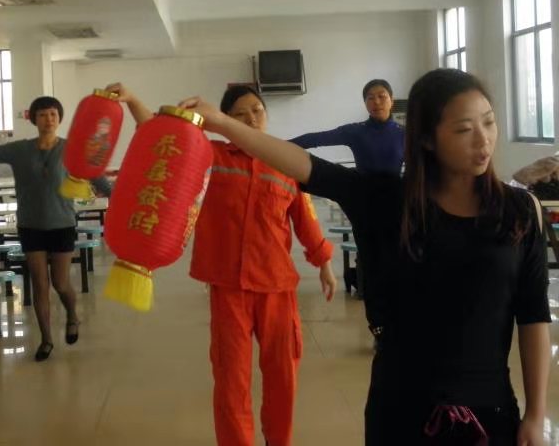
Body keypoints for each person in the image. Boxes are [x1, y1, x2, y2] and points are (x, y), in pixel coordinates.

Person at [179, 68, 550, 445]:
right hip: (402, 409)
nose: (483, 139)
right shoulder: (389, 202)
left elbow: (533, 315)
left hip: (490, 412)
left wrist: (536, 414)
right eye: (464, 129)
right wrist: (222, 124)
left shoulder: (519, 212)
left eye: (489, 122)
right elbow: (305, 163)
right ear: (426, 138)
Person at [108, 83, 337, 446]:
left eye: (257, 111)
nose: (251, 119)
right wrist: (133, 100)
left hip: (277, 286)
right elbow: (162, 140)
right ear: (225, 119)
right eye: (240, 114)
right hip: (228, 286)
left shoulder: (284, 162)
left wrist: (323, 262)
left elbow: (304, 218)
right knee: (231, 379)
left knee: (283, 375)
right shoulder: (210, 156)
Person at [0, 96, 111, 362]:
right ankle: (46, 340)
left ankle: (72, 316)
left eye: (53, 114)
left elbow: (95, 174)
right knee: (40, 284)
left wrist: (117, 196)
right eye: (42, 115)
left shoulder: (71, 149)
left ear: (59, 119)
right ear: (33, 119)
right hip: (30, 225)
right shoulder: (19, 150)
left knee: (60, 283)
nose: (48, 119)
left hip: (62, 224)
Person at [290, 79, 404, 175]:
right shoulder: (356, 131)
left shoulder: (405, 133)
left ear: (392, 101)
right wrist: (281, 146)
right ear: (365, 103)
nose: (377, 102)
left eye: (381, 96)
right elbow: (315, 139)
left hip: (396, 192)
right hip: (362, 190)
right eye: (370, 98)